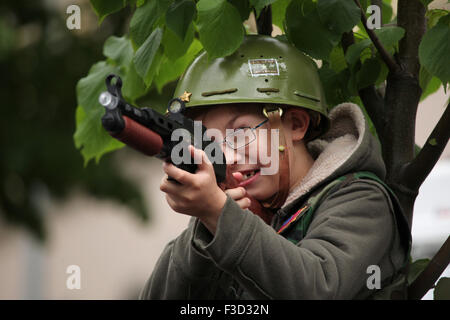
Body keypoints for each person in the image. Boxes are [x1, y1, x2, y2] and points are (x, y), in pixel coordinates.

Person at [139, 35, 411, 299]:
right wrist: (208, 224)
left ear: (295, 124)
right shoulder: (231, 211)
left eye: (240, 133)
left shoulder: (363, 200)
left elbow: (318, 289)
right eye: (210, 143)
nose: (227, 156)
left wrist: (220, 215)